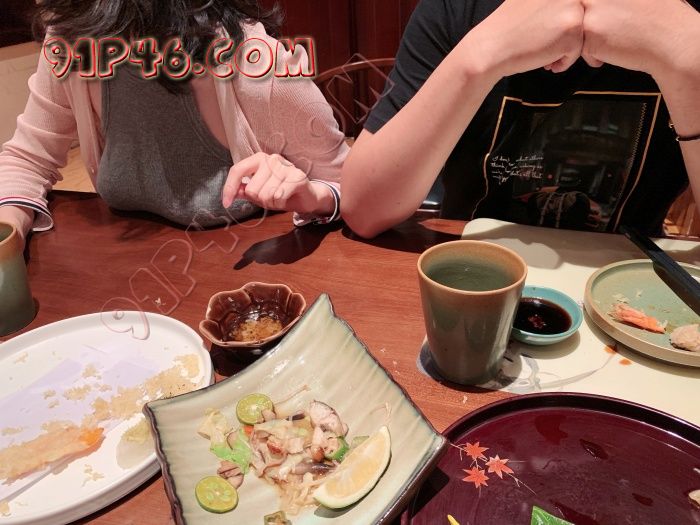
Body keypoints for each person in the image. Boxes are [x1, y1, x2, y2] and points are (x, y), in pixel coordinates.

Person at [340, 0, 700, 238]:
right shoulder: (457, 8)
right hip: (467, 273)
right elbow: (365, 210)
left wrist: (689, 54)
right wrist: (479, 55)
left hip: (637, 278)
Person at [0, 0, 348, 246]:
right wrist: (9, 232)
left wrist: (313, 196)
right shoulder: (71, 43)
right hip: (125, 286)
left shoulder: (259, 65)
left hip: (250, 283)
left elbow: (348, 186)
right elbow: (27, 160)